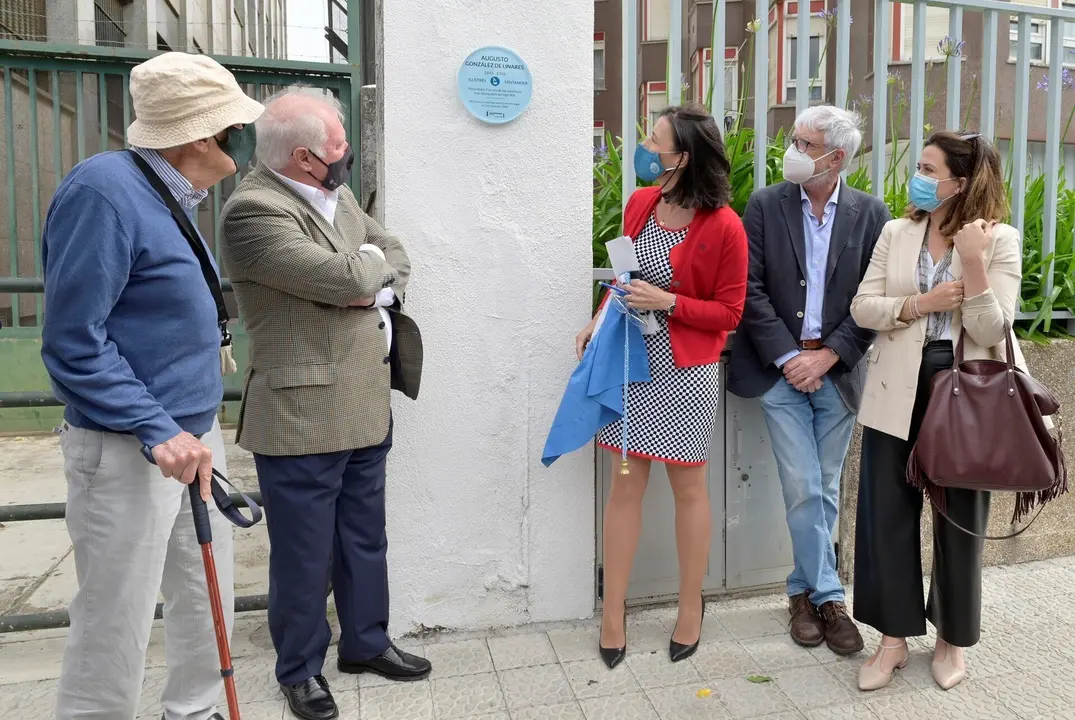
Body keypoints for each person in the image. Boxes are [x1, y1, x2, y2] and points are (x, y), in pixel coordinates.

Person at [40, 52, 263, 720]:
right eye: (234, 125)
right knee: (116, 618)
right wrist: (156, 427)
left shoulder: (169, 191)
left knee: (205, 597)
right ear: (203, 135)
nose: (244, 138)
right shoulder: (104, 191)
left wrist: (186, 429)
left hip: (189, 438)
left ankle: (195, 713)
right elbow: (74, 340)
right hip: (130, 447)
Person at [218, 85, 429, 720]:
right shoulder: (253, 211)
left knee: (365, 538)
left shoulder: (334, 200)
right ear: (306, 156)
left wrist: (370, 284)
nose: (345, 152)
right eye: (337, 143)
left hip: (366, 401)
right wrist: (362, 278)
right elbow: (343, 278)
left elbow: (394, 257)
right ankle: (300, 669)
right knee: (304, 554)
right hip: (301, 412)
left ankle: (366, 643)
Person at [576, 103, 748, 668]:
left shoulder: (725, 226)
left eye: (655, 141)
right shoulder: (640, 202)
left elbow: (730, 312)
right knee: (625, 485)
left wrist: (670, 301)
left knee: (688, 491)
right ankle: (612, 614)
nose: (644, 148)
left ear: (684, 156)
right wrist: (599, 320)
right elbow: (624, 279)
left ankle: (690, 607)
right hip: (629, 360)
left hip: (686, 371)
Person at [851, 132, 1022, 691]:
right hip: (895, 387)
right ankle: (893, 639)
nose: (917, 177)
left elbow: (993, 330)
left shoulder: (1000, 241)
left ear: (961, 181)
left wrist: (972, 265)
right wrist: (918, 304)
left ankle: (950, 638)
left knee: (960, 519)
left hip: (964, 391)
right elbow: (862, 305)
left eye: (928, 168)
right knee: (885, 514)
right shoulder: (897, 232)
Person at [727, 106, 891, 656]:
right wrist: (788, 358)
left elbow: (873, 302)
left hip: (839, 373)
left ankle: (801, 593)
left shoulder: (872, 214)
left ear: (836, 158)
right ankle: (829, 596)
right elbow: (748, 289)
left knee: (822, 487)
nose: (791, 149)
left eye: (803, 142)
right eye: (793, 138)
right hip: (779, 373)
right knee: (803, 484)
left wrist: (827, 358)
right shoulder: (765, 205)